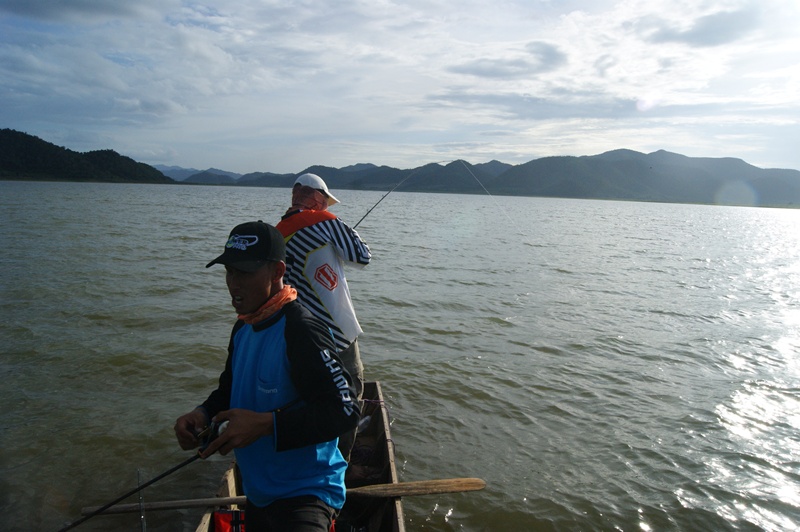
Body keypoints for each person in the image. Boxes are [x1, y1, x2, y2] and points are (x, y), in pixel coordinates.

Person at [174, 220, 359, 531]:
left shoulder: (301, 329)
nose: (233, 282)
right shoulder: (243, 326)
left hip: (307, 492)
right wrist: (202, 414)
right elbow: (229, 387)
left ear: (277, 272)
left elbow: (346, 410)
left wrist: (266, 425)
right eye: (229, 271)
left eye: (245, 272)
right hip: (259, 493)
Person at [276, 173, 371, 460]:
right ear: (318, 198)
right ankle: (342, 464)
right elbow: (362, 256)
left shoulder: (278, 232)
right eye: (325, 202)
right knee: (348, 395)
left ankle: (309, 458)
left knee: (310, 398)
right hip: (335, 331)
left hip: (298, 332)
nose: (326, 206)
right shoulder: (325, 221)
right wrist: (337, 224)